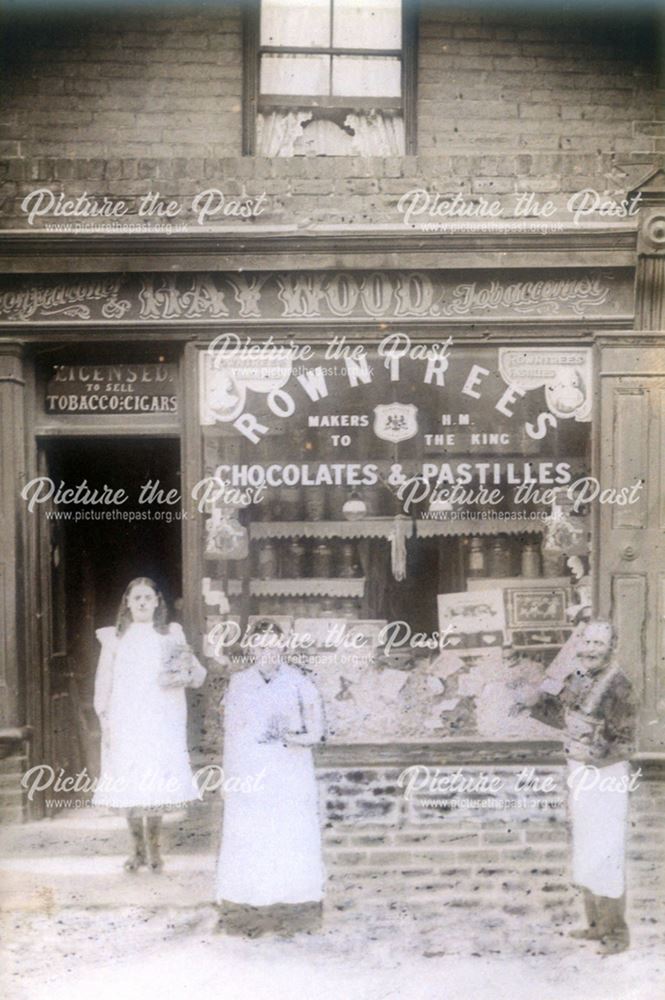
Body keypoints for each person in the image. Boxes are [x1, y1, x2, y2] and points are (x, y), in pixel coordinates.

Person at [529, 619, 637, 954]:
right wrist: (540, 693)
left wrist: (595, 760)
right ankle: (595, 925)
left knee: (606, 850)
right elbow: (558, 715)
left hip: (605, 775)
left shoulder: (620, 685)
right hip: (579, 770)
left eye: (598, 644)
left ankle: (616, 934)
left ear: (611, 648)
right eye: (586, 642)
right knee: (585, 847)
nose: (590, 649)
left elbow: (626, 741)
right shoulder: (577, 678)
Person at [216, 620, 326, 935]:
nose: (267, 651)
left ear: (284, 648)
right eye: (260, 645)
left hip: (289, 771)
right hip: (250, 771)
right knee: (251, 836)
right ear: (251, 649)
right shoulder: (239, 684)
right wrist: (228, 777)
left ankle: (295, 909)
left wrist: (294, 737)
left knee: (289, 835)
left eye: (273, 645)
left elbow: (317, 732)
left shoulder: (300, 683)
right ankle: (248, 909)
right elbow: (232, 735)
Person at [92, 577, 206, 873]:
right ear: (127, 603)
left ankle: (154, 849)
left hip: (161, 718)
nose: (142, 603)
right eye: (136, 598)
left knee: (156, 781)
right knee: (128, 779)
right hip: (126, 718)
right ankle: (136, 849)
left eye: (147, 598)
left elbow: (195, 675)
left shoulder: (171, 634)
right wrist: (104, 717)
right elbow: (104, 681)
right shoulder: (114, 637)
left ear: (157, 602)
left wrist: (188, 665)